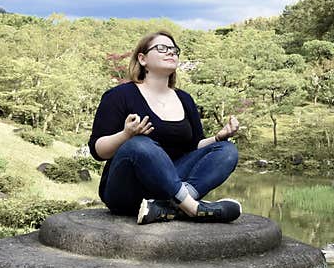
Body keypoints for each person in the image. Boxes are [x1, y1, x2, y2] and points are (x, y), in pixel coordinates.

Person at [88, 29, 242, 224]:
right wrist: (126, 135)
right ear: (142, 59)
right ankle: (192, 208)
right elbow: (98, 151)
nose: (171, 52)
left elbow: (193, 147)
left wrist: (218, 138)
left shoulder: (185, 99)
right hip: (127, 189)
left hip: (171, 186)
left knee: (227, 150)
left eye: (174, 50)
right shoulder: (119, 96)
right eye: (162, 48)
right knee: (140, 144)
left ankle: (171, 207)